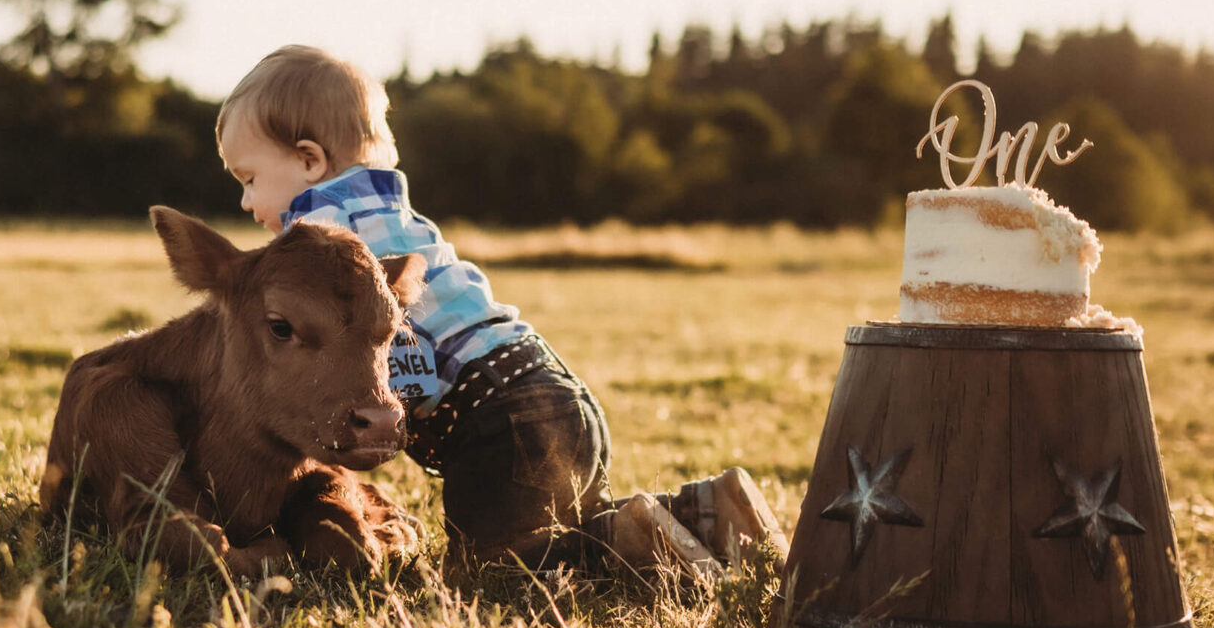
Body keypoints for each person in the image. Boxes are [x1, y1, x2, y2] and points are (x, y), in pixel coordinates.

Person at [215, 44, 787, 576]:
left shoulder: (320, 242)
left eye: (250, 178)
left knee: (496, 569)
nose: (245, 202)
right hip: (545, 388)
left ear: (309, 160)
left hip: (494, 423)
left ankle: (629, 547)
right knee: (566, 528)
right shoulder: (397, 217)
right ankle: (706, 511)